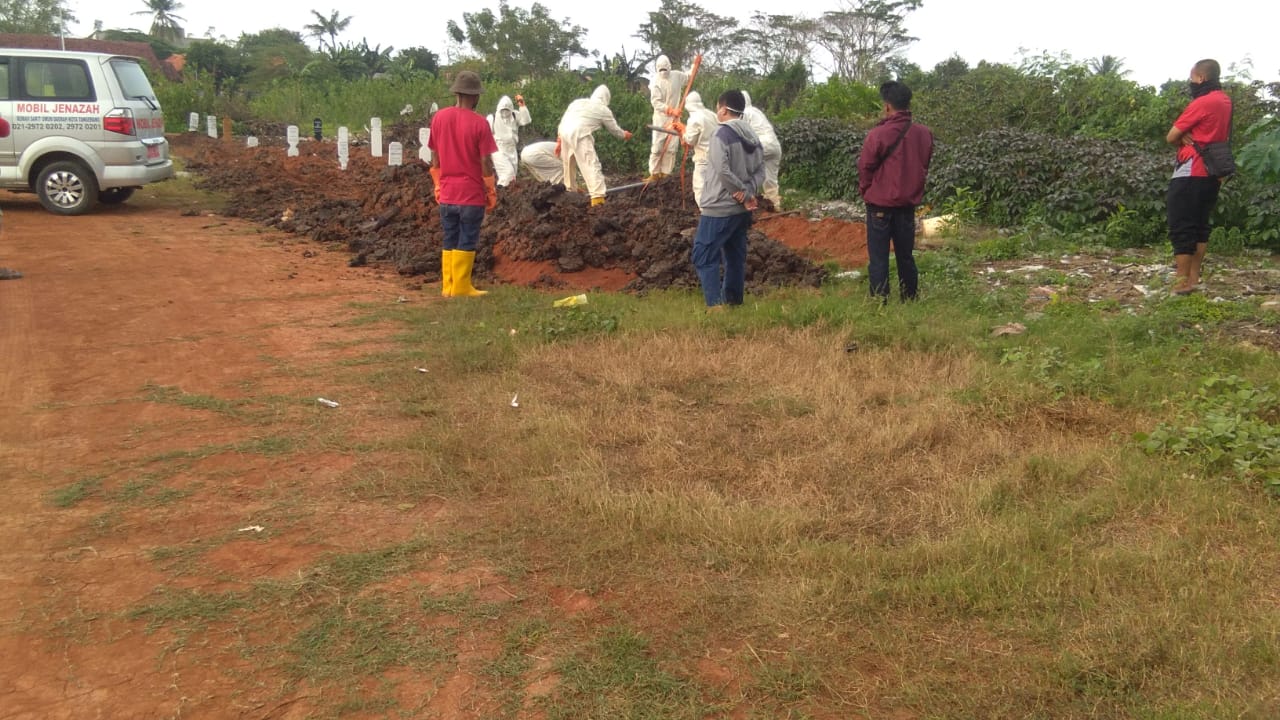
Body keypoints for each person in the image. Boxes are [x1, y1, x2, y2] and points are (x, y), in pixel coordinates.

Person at [857, 81, 934, 304]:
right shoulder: (924, 134)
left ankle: (879, 302)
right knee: (906, 256)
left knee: (879, 258)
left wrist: (868, 191)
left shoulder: (878, 134)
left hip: (880, 205)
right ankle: (910, 299)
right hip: (907, 205)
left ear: (888, 106)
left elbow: (865, 167)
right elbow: (924, 164)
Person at [691, 90, 765, 311]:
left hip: (719, 207)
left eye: (717, 108)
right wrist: (748, 193)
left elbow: (722, 170)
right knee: (734, 254)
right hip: (741, 211)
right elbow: (762, 170)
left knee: (703, 254)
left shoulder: (720, 134)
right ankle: (733, 302)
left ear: (723, 109)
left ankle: (715, 306)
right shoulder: (753, 135)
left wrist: (741, 192)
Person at [428, 70, 498, 298]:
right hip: (470, 194)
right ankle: (462, 287)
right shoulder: (480, 123)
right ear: (475, 96)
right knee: (467, 237)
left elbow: (435, 155)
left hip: (447, 193)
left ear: (456, 93)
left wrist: (437, 183)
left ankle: (448, 287)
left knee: (449, 237)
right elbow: (485, 160)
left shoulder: (439, 118)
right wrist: (490, 188)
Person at [1166, 58, 1233, 295]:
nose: (1191, 81)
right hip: (1213, 174)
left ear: (1201, 78)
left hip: (1191, 170)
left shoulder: (1202, 102)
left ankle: (1181, 283)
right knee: (1200, 225)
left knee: (1182, 224)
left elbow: (1171, 136)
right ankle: (1193, 279)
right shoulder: (1225, 101)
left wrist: (1182, 136)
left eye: (1192, 77)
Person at [557, 85, 633, 207]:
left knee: (568, 166)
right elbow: (615, 130)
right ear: (606, 98)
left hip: (564, 133)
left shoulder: (577, 102)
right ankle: (597, 199)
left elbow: (563, 120)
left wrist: (559, 140)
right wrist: (625, 135)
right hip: (580, 133)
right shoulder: (603, 109)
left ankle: (570, 194)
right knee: (591, 164)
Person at [648, 54, 688, 181]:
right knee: (657, 146)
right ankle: (654, 173)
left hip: (675, 120)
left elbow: (689, 76)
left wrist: (695, 65)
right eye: (661, 69)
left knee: (671, 148)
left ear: (669, 67)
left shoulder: (677, 76)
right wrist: (670, 110)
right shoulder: (655, 82)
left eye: (665, 69)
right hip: (661, 118)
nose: (663, 72)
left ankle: (666, 173)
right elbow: (656, 102)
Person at [741, 91, 782, 208]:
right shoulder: (756, 111)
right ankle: (775, 205)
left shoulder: (744, 113)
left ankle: (748, 202)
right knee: (770, 179)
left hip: (762, 143)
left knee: (744, 167)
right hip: (775, 145)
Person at [681, 91, 719, 206]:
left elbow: (690, 140)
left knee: (700, 188)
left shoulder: (694, 119)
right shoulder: (711, 114)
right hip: (718, 155)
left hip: (704, 159)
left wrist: (683, 132)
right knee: (715, 187)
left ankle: (707, 215)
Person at [489, 94, 532, 187]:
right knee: (507, 173)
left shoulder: (514, 115)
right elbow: (484, 134)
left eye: (507, 110)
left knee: (512, 178)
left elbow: (526, 120)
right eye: (503, 110)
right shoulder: (492, 118)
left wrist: (522, 105)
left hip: (512, 149)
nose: (505, 112)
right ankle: (500, 194)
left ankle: (506, 197)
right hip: (498, 149)